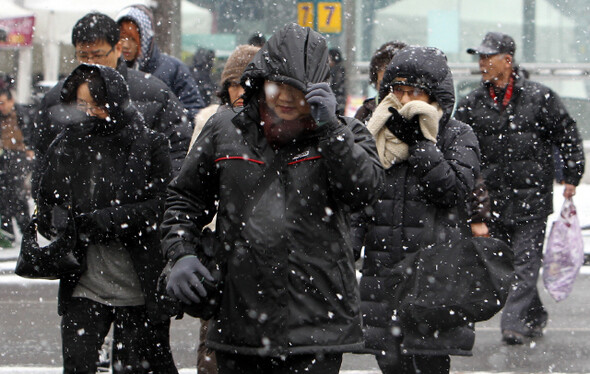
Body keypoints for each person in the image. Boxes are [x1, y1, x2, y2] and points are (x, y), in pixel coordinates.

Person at [161, 23, 384, 374]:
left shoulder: (347, 133)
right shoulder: (224, 129)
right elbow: (184, 201)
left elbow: (363, 192)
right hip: (239, 321)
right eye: (277, 83)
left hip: (318, 327)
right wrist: (181, 254)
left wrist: (330, 130)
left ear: (318, 89)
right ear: (260, 78)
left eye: (298, 88)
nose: (285, 97)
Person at [35, 64, 177, 373]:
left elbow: (161, 206)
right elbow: (45, 201)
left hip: (138, 285)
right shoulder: (66, 144)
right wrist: (61, 221)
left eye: (96, 104)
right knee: (78, 365)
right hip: (84, 281)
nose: (89, 112)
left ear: (114, 102)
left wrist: (107, 219)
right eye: (81, 105)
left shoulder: (150, 143)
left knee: (135, 367)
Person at [353, 46, 480, 374]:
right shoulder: (378, 132)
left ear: (435, 94)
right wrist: (346, 249)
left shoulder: (456, 134)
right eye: (399, 91)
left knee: (430, 362)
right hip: (384, 271)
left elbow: (453, 191)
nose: (405, 100)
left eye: (415, 92)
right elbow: (360, 197)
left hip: (433, 276)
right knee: (391, 363)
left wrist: (423, 146)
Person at [455, 31, 585, 345]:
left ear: (508, 61)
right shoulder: (473, 102)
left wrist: (571, 175)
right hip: (493, 199)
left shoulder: (539, 97)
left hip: (532, 198)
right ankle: (534, 314)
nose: (482, 63)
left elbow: (567, 135)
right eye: (481, 57)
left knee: (526, 263)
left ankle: (512, 325)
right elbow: (459, 144)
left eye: (488, 57)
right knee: (505, 264)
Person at [33, 12, 192, 175]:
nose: (90, 63)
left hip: (137, 196)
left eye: (97, 55)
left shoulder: (154, 93)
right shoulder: (57, 98)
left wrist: (155, 193)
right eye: (83, 55)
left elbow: (178, 150)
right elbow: (42, 159)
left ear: (117, 49)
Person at [188, 43, 260, 374]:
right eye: (235, 83)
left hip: (262, 251)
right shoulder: (212, 122)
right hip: (219, 245)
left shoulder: (278, 127)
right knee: (213, 341)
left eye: (249, 83)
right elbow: (190, 188)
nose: (241, 91)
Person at [116, 4, 205, 120]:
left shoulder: (174, 69)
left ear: (145, 38)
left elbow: (194, 111)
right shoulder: (113, 70)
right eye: (122, 38)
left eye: (133, 39)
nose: (126, 45)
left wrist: (168, 127)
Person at [0, 83, 34, 241]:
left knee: (18, 195)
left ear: (11, 101)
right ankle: (7, 232)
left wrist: (30, 147)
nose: (2, 107)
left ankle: (26, 229)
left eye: (3, 103)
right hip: (3, 156)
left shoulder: (22, 114)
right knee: (4, 196)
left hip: (19, 156)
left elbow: (32, 132)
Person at [354, 41, 407, 124]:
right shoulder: (365, 113)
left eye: (398, 87)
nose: (390, 93)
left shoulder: (421, 113)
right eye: (384, 85)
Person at [328, 48, 346, 114]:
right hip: (338, 104)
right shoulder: (340, 70)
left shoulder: (336, 71)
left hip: (335, 105)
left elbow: (335, 86)